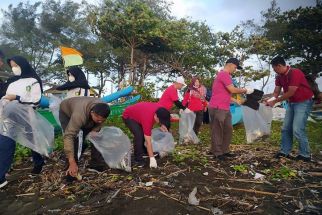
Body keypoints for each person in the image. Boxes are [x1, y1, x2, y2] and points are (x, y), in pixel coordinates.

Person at [0, 56, 51, 189]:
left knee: (32, 142)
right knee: (5, 143)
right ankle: (1, 177)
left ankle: (39, 163)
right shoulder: (12, 82)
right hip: (9, 118)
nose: (14, 68)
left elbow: (36, 100)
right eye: (11, 66)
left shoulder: (33, 81)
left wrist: (17, 97)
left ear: (23, 64)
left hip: (27, 116)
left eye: (16, 65)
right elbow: (5, 99)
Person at [265, 56, 314, 162]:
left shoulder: (295, 72)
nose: (274, 71)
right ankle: (284, 152)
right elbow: (276, 91)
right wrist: (270, 100)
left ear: (279, 66)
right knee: (286, 128)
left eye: (274, 68)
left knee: (297, 128)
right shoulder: (279, 77)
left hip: (303, 102)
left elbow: (291, 92)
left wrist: (275, 101)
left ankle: (305, 154)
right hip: (292, 103)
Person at [208, 58, 253, 160]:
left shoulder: (224, 76)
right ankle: (217, 152)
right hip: (217, 107)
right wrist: (246, 90)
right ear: (230, 65)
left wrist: (235, 100)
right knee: (218, 130)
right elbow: (232, 89)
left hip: (225, 107)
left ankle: (225, 150)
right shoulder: (224, 74)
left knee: (228, 128)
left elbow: (223, 93)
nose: (235, 69)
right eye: (236, 67)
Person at [59, 97, 110, 181]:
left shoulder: (102, 110)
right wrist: (72, 161)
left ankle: (96, 164)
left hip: (85, 112)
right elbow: (69, 136)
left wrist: (95, 131)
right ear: (92, 113)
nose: (100, 122)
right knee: (76, 140)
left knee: (97, 136)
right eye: (98, 120)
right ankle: (70, 169)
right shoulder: (79, 116)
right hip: (66, 112)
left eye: (102, 120)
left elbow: (99, 124)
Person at [122, 102, 170, 168]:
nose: (160, 122)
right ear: (155, 115)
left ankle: (144, 151)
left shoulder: (162, 110)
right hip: (129, 116)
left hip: (140, 114)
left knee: (144, 133)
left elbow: (166, 120)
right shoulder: (148, 118)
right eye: (159, 121)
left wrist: (163, 125)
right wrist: (152, 158)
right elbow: (148, 141)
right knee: (139, 135)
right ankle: (137, 159)